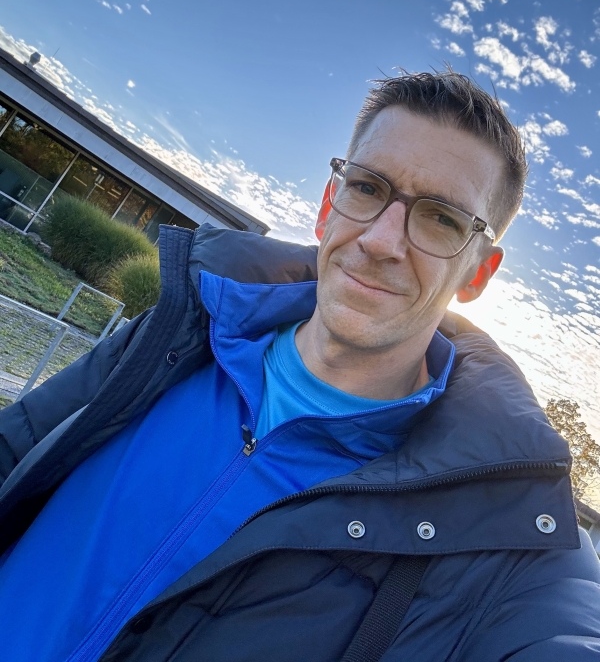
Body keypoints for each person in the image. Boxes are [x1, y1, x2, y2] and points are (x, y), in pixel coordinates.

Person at [0, 70, 599, 662]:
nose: (381, 241)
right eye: (367, 187)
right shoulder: (178, 335)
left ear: (478, 273)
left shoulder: (503, 536)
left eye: (441, 218)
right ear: (328, 206)